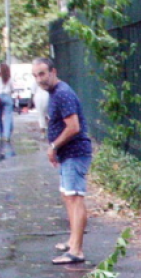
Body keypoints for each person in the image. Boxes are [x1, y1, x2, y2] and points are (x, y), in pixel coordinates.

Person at [32, 57, 93, 265]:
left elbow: (74, 126)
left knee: (75, 199)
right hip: (67, 154)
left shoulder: (63, 93)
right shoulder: (55, 93)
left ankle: (76, 251)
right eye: (36, 75)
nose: (39, 79)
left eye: (42, 73)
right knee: (68, 196)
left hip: (74, 153)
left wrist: (53, 146)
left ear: (53, 71)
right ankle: (72, 241)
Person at [0, 64, 13, 158]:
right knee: (8, 117)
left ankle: (1, 134)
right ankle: (6, 136)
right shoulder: (9, 79)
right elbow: (12, 90)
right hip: (7, 98)